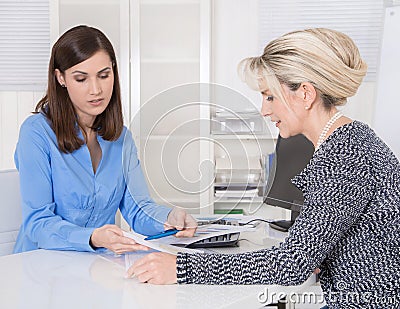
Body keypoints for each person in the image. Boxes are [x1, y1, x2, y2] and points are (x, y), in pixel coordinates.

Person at [127, 28, 400, 308]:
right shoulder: (350, 140)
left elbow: (290, 265)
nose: (264, 110)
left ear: (305, 94)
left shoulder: (344, 154)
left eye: (269, 96)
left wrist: (181, 267)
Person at [13, 25, 196, 254]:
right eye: (81, 79)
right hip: (40, 267)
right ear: (61, 78)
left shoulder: (121, 138)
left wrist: (171, 218)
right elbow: (37, 223)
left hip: (97, 267)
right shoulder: (36, 133)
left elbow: (138, 211)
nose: (96, 89)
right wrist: (92, 237)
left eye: (104, 75)